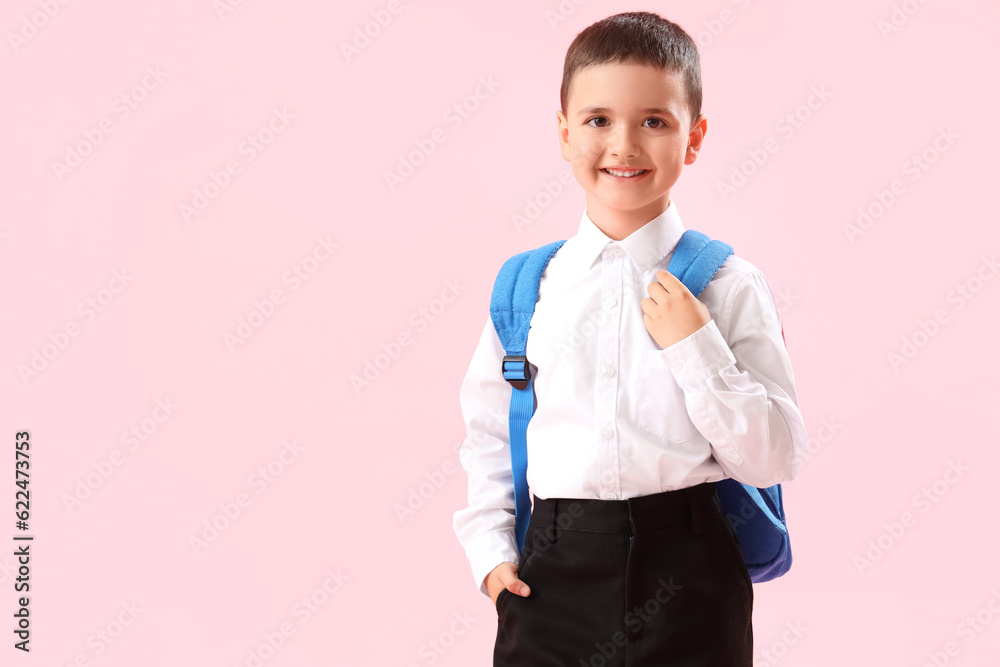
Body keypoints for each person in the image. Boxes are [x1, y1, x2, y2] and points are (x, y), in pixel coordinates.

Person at [452, 11, 810, 666]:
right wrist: (491, 554)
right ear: (563, 133)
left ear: (693, 137)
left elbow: (775, 457)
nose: (623, 144)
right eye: (597, 120)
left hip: (692, 570)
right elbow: (490, 433)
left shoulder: (729, 285)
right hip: (550, 576)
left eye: (654, 121)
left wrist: (696, 347)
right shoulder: (528, 287)